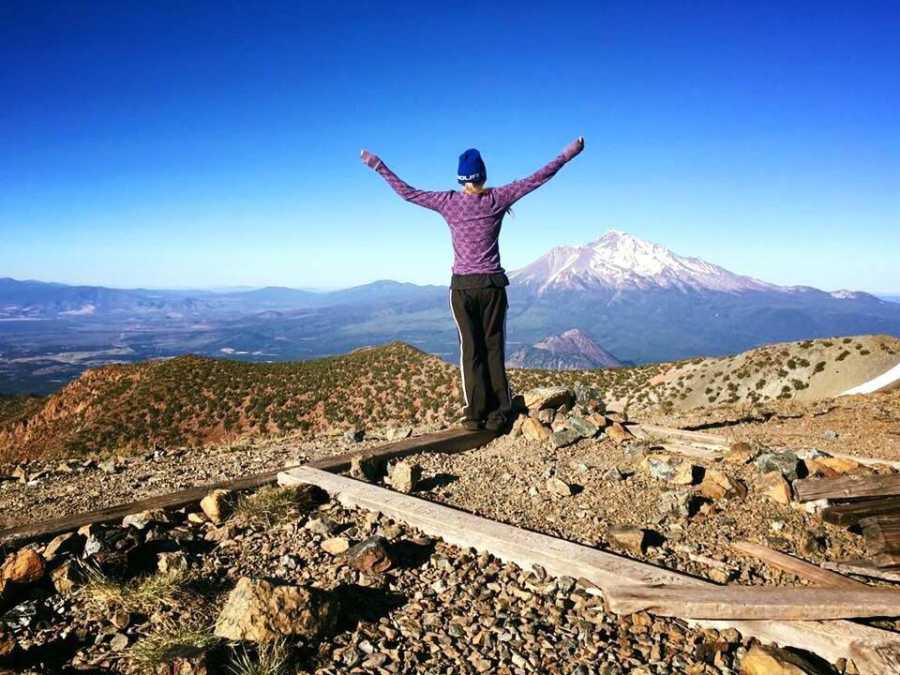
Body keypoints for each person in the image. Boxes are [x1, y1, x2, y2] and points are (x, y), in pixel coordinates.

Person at [360, 137, 585, 432]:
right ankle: (500, 413)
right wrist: (569, 153)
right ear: (483, 175)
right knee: (494, 349)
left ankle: (474, 415)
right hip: (492, 286)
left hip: (463, 289)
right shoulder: (498, 198)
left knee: (471, 350)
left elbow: (408, 193)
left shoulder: (448, 202)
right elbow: (537, 178)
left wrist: (378, 165)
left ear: (460, 178)